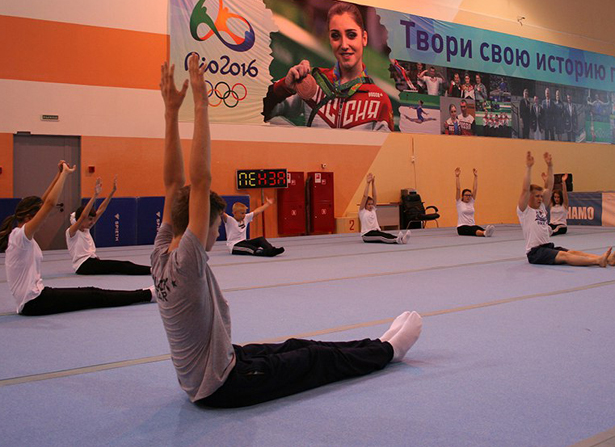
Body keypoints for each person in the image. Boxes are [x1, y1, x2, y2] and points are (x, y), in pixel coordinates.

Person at [153, 55, 422, 408]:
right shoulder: (187, 260)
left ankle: (376, 344)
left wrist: (171, 113)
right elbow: (199, 180)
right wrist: (201, 104)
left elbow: (174, 184)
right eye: (215, 227)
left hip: (213, 367)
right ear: (196, 226)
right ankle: (388, 351)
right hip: (223, 384)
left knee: (297, 346)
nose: (216, 234)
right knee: (314, 359)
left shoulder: (160, 254)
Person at [1, 162, 154, 316]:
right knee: (95, 295)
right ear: (28, 218)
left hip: (37, 298)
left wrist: (59, 175)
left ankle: (146, 293)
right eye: (38, 217)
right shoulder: (20, 237)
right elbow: (49, 204)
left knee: (93, 293)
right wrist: (65, 175)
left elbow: (44, 202)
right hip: (35, 301)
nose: (43, 221)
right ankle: (147, 294)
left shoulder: (19, 237)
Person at [262, 2, 393, 131]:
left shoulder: (379, 100)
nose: (344, 45)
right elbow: (258, 111)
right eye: (335, 36)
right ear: (330, 40)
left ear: (364, 38)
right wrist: (284, 86)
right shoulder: (314, 83)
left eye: (351, 35)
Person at [518, 152, 615, 267]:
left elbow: (549, 187)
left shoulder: (541, 207)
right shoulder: (525, 211)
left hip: (547, 246)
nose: (540, 199)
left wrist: (550, 166)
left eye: (541, 196)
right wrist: (528, 167)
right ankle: (597, 261)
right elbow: (525, 189)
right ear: (529, 197)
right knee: (564, 256)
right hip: (535, 252)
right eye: (537, 196)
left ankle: (608, 259)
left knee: (572, 252)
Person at [67, 176, 151, 275]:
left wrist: (112, 192)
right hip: (83, 265)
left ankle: (150, 269)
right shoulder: (72, 232)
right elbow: (83, 215)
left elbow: (101, 209)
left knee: (123, 264)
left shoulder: (86, 229)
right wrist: (95, 195)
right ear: (81, 219)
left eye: (92, 220)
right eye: (89, 219)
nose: (92, 222)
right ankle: (151, 270)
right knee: (120, 266)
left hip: (91, 262)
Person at [358, 173, 409, 244]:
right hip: (367, 235)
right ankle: (396, 240)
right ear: (365, 205)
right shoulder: (362, 211)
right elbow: (364, 196)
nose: (371, 206)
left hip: (376, 231)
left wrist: (373, 183)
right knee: (381, 237)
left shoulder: (373, 210)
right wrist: (368, 183)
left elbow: (375, 196)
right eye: (369, 204)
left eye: (372, 204)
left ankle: (402, 239)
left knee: (385, 234)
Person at [454, 168, 494, 237]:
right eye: (466, 195)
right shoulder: (459, 203)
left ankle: (485, 232)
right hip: (462, 227)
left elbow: (475, 189)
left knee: (477, 228)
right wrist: (457, 177)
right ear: (462, 196)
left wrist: (476, 177)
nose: (468, 197)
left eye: (470, 195)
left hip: (472, 225)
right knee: (473, 230)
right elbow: (458, 189)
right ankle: (484, 233)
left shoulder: (471, 202)